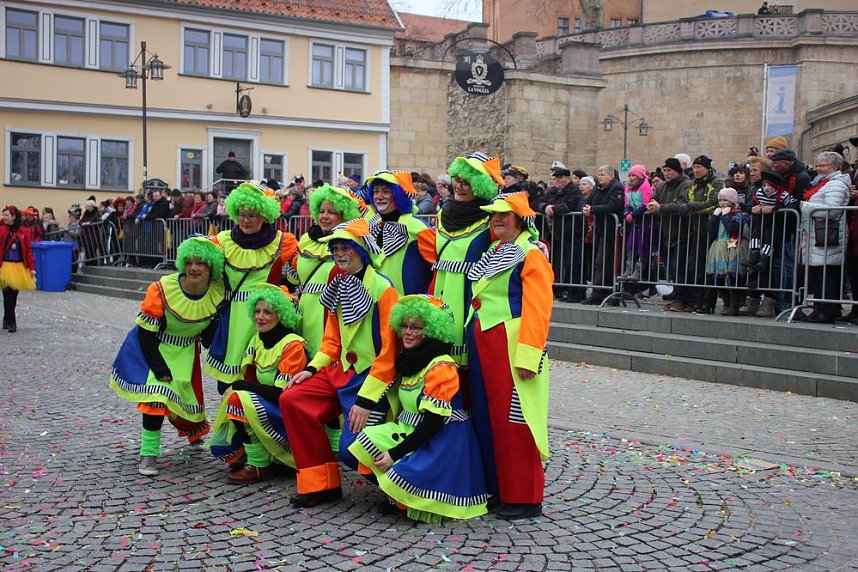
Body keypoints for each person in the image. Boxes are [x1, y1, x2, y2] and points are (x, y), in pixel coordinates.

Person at [279, 218, 399, 508]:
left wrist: (367, 399)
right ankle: (320, 484)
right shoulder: (339, 283)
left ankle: (403, 491)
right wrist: (310, 369)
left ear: (362, 249)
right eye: (335, 248)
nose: (339, 253)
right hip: (337, 372)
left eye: (346, 247)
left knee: (351, 449)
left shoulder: (384, 289)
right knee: (293, 399)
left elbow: (389, 352)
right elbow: (331, 341)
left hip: (368, 378)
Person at [348, 294, 488, 522]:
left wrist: (394, 454)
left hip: (443, 441)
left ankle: (405, 498)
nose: (408, 332)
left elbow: (433, 424)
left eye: (416, 327)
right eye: (405, 325)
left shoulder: (441, 367)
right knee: (365, 442)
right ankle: (400, 497)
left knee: (401, 469)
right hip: (413, 431)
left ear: (432, 330)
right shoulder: (410, 359)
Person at [465, 192, 554, 519]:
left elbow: (538, 309)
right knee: (488, 421)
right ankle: (499, 489)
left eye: (504, 214)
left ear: (520, 218)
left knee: (516, 421)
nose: (497, 220)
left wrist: (529, 356)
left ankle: (525, 496)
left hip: (511, 346)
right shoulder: (494, 250)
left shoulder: (531, 254)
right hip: (483, 345)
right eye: (493, 215)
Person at [109, 237, 225, 476]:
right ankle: (148, 454)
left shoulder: (218, 292)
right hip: (154, 348)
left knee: (184, 400)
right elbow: (145, 335)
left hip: (185, 352)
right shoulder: (163, 289)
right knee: (156, 397)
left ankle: (195, 433)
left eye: (201, 263)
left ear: (210, 266)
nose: (194, 268)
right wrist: (160, 368)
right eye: (190, 262)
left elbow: (209, 330)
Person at [205, 182, 298, 394]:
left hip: (266, 318)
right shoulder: (222, 241)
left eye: (252, 215)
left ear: (265, 215)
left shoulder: (283, 242)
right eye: (241, 214)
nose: (245, 220)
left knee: (258, 379)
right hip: (232, 321)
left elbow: (298, 275)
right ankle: (231, 421)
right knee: (228, 383)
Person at [209, 284, 307, 483]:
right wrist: (241, 386)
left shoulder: (292, 345)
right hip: (265, 405)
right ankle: (261, 456)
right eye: (257, 311)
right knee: (224, 439)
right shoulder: (257, 340)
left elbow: (282, 394)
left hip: (287, 412)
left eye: (268, 312)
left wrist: (240, 386)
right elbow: (251, 380)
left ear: (281, 315)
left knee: (237, 398)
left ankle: (259, 465)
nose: (260, 317)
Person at [432, 152, 502, 368]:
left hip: (471, 293)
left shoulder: (492, 215)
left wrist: (539, 245)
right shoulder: (445, 212)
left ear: (480, 186)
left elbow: (519, 238)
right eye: (458, 180)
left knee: (471, 360)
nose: (460, 187)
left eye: (467, 183)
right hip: (440, 287)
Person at [286, 184, 362, 355]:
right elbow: (295, 279)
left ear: (344, 215)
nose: (325, 217)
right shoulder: (306, 240)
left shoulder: (352, 243)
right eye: (321, 211)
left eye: (331, 212)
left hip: (336, 309)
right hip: (306, 310)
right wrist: (289, 262)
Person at [798, 151, 851, 323]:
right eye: (817, 165)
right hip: (817, 234)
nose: (818, 168)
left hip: (828, 235)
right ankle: (820, 308)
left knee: (827, 275)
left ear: (834, 167)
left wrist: (803, 206)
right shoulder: (822, 183)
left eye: (823, 165)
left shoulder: (836, 184)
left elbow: (832, 210)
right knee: (819, 274)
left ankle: (827, 310)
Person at [365, 170, 436, 295]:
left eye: (386, 191)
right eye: (376, 191)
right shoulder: (370, 225)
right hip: (375, 304)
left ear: (399, 195)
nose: (379, 196)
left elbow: (437, 272)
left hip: (407, 308)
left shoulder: (418, 229)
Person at [741, 170, 799, 317]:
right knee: (756, 241)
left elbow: (795, 205)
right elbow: (748, 206)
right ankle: (753, 300)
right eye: (765, 185)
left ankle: (769, 302)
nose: (767, 189)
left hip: (776, 229)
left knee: (771, 264)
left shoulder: (782, 194)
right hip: (758, 225)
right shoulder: (758, 192)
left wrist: (775, 208)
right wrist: (752, 208)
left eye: (770, 186)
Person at [647, 158, 692, 309]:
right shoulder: (663, 186)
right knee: (671, 267)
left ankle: (682, 298)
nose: (666, 174)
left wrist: (661, 208)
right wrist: (651, 205)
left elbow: (681, 204)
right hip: (667, 232)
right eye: (665, 171)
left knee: (679, 266)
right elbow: (655, 199)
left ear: (677, 171)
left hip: (683, 232)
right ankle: (676, 293)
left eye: (669, 171)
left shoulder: (686, 184)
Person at [538, 162, 583, 302]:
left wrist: (553, 210)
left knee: (572, 263)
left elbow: (571, 205)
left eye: (560, 177)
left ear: (567, 178)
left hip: (571, 232)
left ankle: (575, 292)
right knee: (558, 263)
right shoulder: (553, 191)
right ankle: (560, 289)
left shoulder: (573, 190)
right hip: (557, 233)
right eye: (555, 177)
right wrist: (546, 208)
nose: (556, 180)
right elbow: (540, 203)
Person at [703, 188, 750, 315]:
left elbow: (732, 228)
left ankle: (734, 305)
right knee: (718, 275)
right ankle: (726, 302)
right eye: (720, 200)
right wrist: (714, 216)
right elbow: (711, 231)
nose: (722, 203)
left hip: (735, 245)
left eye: (725, 200)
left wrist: (725, 215)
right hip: (719, 246)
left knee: (734, 275)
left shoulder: (740, 214)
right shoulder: (718, 213)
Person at [583, 165, 624, 305]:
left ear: (611, 176)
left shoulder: (616, 187)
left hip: (613, 231)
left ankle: (608, 292)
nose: (599, 177)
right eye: (598, 174)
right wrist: (588, 208)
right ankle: (598, 292)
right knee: (599, 262)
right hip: (601, 230)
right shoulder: (598, 188)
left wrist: (593, 209)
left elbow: (614, 206)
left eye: (602, 174)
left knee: (608, 263)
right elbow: (588, 201)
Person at [1, 206, 36, 333]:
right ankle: (11, 321)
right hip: (5, 266)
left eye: (6, 215)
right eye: (3, 215)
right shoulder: (1, 231)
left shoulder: (23, 232)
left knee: (13, 295)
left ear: (14, 216)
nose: (4, 217)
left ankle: (7, 318)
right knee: (7, 294)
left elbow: (28, 250)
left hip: (18, 266)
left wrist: (32, 268)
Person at [618, 164, 654, 283]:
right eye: (629, 175)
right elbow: (626, 204)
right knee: (630, 245)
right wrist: (627, 214)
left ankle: (638, 271)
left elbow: (645, 204)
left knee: (642, 246)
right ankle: (628, 269)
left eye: (634, 175)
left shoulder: (645, 186)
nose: (631, 178)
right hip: (635, 221)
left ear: (639, 177)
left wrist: (632, 214)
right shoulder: (628, 187)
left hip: (645, 221)